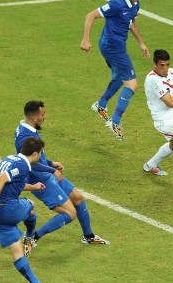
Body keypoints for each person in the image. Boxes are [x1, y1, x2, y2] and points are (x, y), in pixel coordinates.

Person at [15, 100, 109, 256]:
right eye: (43, 114)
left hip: (46, 175)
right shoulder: (24, 136)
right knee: (69, 213)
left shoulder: (29, 129)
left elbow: (36, 156)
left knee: (78, 198)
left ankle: (89, 236)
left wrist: (51, 163)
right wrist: (51, 170)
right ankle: (33, 237)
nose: (45, 117)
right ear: (34, 117)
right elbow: (28, 163)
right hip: (39, 181)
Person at [0, 137, 57, 283]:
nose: (41, 156)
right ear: (35, 153)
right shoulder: (22, 165)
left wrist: (33, 186)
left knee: (17, 251)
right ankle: (29, 236)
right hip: (8, 209)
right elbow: (1, 180)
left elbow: (13, 183)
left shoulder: (10, 159)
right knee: (30, 205)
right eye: (41, 153)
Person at [80, 0, 150, 141]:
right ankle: (115, 122)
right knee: (132, 84)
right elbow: (90, 15)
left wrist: (141, 43)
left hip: (115, 46)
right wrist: (85, 39)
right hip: (112, 47)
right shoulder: (116, 4)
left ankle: (101, 104)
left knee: (120, 77)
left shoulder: (135, 3)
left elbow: (132, 22)